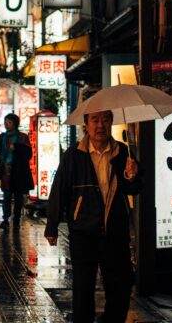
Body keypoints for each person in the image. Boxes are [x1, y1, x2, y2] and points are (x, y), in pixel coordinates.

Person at [45, 110, 142, 323]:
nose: (100, 126)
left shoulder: (122, 153)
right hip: (83, 232)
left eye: (105, 120)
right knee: (83, 290)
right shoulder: (74, 155)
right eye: (95, 120)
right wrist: (51, 226)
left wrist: (131, 176)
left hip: (115, 232)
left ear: (111, 122)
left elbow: (134, 189)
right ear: (86, 124)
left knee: (121, 287)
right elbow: (59, 189)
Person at [0, 113, 33, 229]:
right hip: (6, 170)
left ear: (15, 123)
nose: (6, 124)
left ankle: (16, 218)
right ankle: (5, 219)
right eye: (5, 122)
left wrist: (17, 148)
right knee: (6, 196)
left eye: (9, 122)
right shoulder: (3, 136)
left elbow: (28, 154)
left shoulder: (22, 137)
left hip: (18, 171)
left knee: (18, 196)